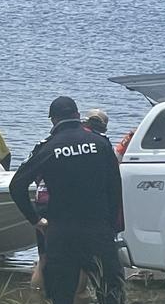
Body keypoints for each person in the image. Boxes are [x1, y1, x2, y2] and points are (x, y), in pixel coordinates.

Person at [9, 97, 134, 304]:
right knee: (112, 301)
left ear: (53, 120)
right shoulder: (101, 145)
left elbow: (17, 186)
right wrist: (112, 226)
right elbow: (115, 188)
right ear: (78, 115)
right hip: (98, 233)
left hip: (62, 234)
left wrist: (36, 219)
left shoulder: (49, 147)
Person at [32, 108, 110, 291]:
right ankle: (79, 303)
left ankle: (37, 303)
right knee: (83, 261)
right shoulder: (99, 144)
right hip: (73, 208)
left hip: (44, 201)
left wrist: (34, 218)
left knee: (44, 258)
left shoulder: (54, 141)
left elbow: (33, 175)